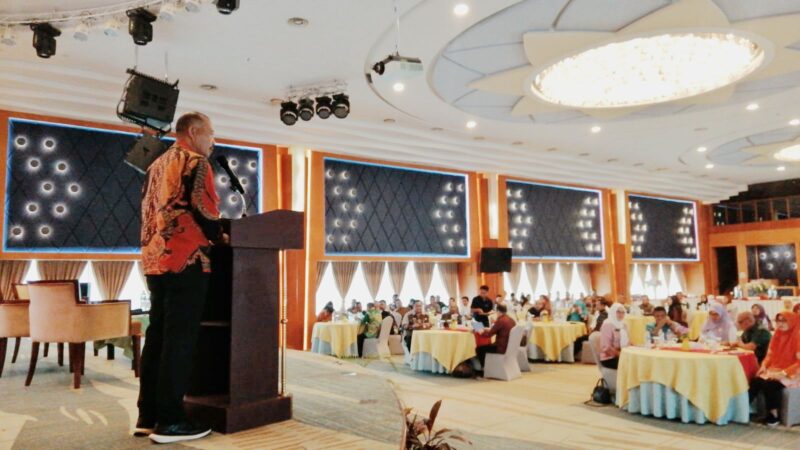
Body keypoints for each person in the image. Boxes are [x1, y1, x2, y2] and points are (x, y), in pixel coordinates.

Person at [137, 112, 223, 443]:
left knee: (157, 337)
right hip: (186, 260)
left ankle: (148, 415)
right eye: (211, 134)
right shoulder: (195, 161)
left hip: (155, 261)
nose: (213, 142)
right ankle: (171, 421)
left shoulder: (155, 165)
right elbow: (204, 209)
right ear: (194, 131)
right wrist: (218, 235)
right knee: (180, 341)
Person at [748, 312, 800, 427]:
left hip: (794, 373)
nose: (780, 324)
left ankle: (773, 416)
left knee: (771, 384)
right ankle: (744, 409)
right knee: (756, 380)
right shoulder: (777, 334)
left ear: (792, 321)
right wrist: (763, 366)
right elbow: (770, 355)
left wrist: (783, 373)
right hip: (776, 368)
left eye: (784, 321)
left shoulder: (798, 335)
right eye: (778, 321)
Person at [475, 304, 516, 370]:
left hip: (501, 347)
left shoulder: (501, 320)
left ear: (498, 311)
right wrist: (487, 329)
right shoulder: (511, 320)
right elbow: (499, 330)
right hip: (508, 346)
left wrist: (480, 330)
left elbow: (488, 335)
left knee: (479, 349)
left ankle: (484, 369)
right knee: (485, 347)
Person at [599, 303, 630, 370]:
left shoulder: (624, 325)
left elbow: (627, 341)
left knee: (636, 362)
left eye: (623, 312)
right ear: (613, 312)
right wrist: (620, 354)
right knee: (631, 365)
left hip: (622, 354)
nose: (621, 314)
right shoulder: (607, 325)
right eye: (618, 312)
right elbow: (606, 347)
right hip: (609, 358)